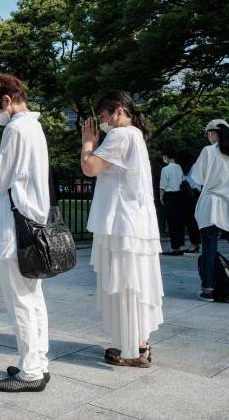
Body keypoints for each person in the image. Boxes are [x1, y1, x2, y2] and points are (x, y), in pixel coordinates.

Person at [0, 73, 51, 392]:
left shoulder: (17, 130)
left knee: (19, 299)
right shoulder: (33, 126)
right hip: (33, 224)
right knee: (32, 298)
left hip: (17, 229)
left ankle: (31, 371)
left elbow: (2, 179)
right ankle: (36, 361)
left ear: (6, 101)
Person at [81, 91, 163, 368]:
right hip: (134, 220)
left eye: (102, 116)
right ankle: (137, 343)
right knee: (134, 282)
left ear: (117, 110)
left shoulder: (121, 135)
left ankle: (133, 348)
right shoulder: (136, 135)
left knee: (125, 282)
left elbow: (89, 167)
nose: (102, 123)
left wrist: (88, 144)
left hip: (121, 222)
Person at [191, 119, 229, 301]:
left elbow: (198, 178)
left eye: (208, 134)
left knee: (209, 247)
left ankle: (208, 288)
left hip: (211, 205)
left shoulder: (208, 151)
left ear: (212, 133)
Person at [159, 145, 185, 256]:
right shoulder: (179, 167)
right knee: (179, 222)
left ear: (166, 156)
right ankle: (181, 246)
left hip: (169, 196)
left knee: (171, 222)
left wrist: (161, 197)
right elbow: (182, 181)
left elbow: (163, 185)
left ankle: (174, 248)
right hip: (179, 195)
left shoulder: (165, 169)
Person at [176, 148, 201, 253]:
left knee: (192, 221)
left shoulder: (194, 167)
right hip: (189, 195)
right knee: (190, 221)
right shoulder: (189, 167)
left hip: (193, 195)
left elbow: (194, 182)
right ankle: (194, 243)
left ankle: (195, 244)